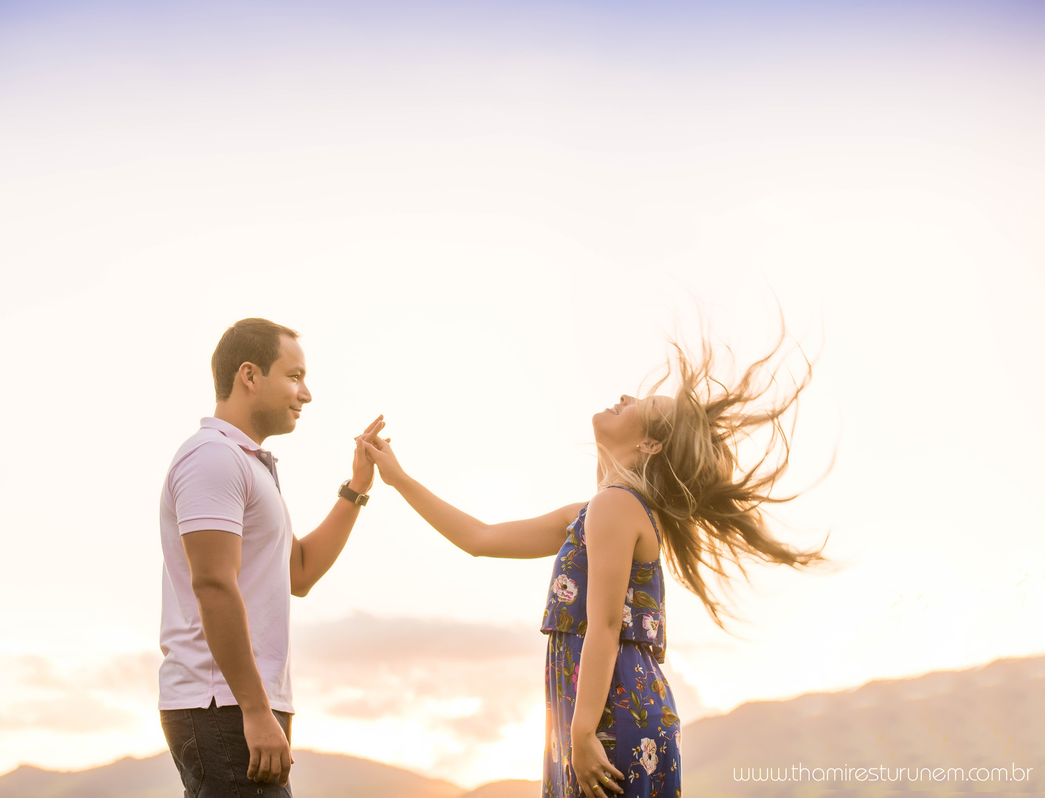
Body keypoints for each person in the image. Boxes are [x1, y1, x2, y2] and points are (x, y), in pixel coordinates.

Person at [361, 332, 826, 798]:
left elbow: (603, 625)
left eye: (645, 404)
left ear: (650, 445)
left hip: (608, 716)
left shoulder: (615, 506)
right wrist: (398, 479)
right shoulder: (597, 511)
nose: (627, 396)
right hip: (604, 711)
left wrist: (582, 734)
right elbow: (479, 539)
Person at [158, 318, 383, 797]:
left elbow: (299, 572)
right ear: (250, 375)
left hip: (241, 703)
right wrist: (256, 711)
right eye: (295, 376)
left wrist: (357, 488)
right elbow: (213, 584)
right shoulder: (212, 458)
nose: (306, 394)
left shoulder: (248, 463)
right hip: (222, 704)